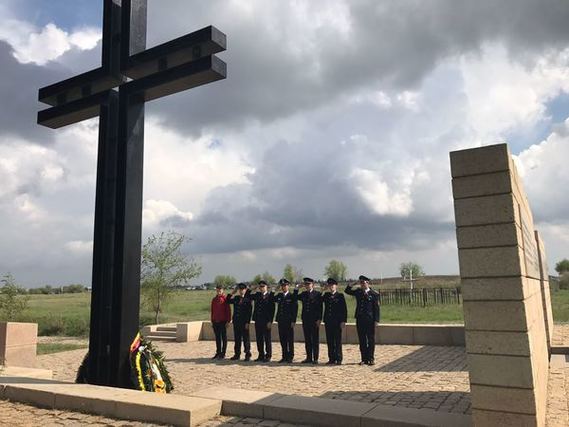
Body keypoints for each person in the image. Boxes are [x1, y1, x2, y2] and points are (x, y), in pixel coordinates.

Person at [345, 275, 380, 365]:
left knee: (370, 339)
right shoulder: (358, 292)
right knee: (362, 340)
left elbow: (376, 308)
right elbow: (347, 291)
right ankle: (364, 359)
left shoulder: (374, 294)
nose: (362, 284)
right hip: (360, 319)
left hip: (370, 320)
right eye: (360, 282)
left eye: (363, 282)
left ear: (367, 283)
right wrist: (353, 284)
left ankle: (371, 358)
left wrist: (376, 320)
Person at [295, 277, 323, 364]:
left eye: (309, 284)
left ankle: (315, 358)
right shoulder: (303, 294)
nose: (307, 286)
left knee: (315, 339)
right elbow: (294, 297)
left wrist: (319, 319)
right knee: (307, 339)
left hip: (314, 320)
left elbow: (320, 308)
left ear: (313, 285)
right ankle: (309, 357)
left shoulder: (317, 294)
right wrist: (296, 288)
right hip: (306, 319)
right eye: (306, 284)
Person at [322, 278, 347, 365]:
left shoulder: (340, 296)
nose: (331, 287)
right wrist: (322, 290)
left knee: (337, 341)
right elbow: (318, 300)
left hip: (337, 322)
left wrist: (343, 321)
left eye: (333, 285)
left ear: (336, 286)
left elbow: (344, 309)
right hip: (328, 321)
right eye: (330, 285)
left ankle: (339, 358)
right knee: (330, 341)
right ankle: (331, 358)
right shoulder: (326, 295)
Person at [250, 280, 275, 362]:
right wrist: (253, 289)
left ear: (266, 287)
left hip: (266, 321)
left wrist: (270, 321)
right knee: (259, 338)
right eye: (260, 286)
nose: (261, 288)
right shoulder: (257, 295)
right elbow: (248, 295)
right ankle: (261, 355)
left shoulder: (270, 296)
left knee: (267, 339)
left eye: (263, 286)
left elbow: (272, 310)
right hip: (258, 320)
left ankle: (268, 355)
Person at [226, 283, 253, 361]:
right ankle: (237, 354)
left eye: (243, 289)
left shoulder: (248, 299)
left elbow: (249, 312)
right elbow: (227, 301)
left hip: (244, 322)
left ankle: (247, 354)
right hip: (236, 322)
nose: (241, 291)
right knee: (237, 339)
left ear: (245, 290)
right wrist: (232, 293)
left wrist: (247, 322)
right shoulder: (236, 298)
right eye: (240, 289)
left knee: (246, 339)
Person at [274, 278, 298, 363]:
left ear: (288, 286)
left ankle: (290, 356)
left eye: (285, 285)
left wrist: (293, 321)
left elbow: (295, 309)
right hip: (281, 321)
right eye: (282, 286)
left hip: (289, 321)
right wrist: (274, 290)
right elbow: (271, 299)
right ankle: (284, 356)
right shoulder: (279, 296)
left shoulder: (292, 296)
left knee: (290, 340)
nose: (283, 287)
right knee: (282, 339)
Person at [210, 284, 232, 359]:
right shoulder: (214, 300)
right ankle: (218, 352)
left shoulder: (225, 299)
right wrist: (212, 320)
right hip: (215, 321)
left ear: (223, 290)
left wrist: (228, 321)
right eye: (217, 290)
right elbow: (212, 311)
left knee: (223, 337)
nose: (219, 291)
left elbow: (228, 311)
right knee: (217, 337)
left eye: (220, 290)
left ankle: (223, 353)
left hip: (223, 321)